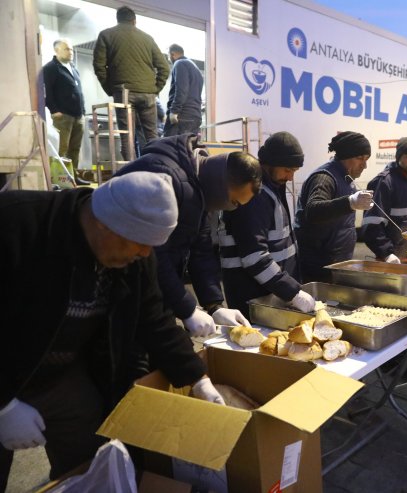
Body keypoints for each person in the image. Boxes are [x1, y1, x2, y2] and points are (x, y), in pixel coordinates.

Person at [0, 173, 225, 490]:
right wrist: (4, 405)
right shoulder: (17, 224)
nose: (145, 255)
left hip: (62, 373)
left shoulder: (135, 255)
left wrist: (196, 378)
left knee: (93, 455)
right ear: (105, 223)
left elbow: (154, 319)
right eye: (140, 245)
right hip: (8, 365)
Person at [116, 135, 261, 337]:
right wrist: (187, 308)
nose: (231, 209)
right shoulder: (165, 177)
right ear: (222, 185)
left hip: (152, 291)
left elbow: (200, 248)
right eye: (233, 202)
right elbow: (154, 253)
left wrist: (214, 305)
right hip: (123, 289)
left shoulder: (201, 187)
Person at [219, 132, 316, 315]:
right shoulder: (255, 196)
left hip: (270, 290)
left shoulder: (272, 188)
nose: (289, 177)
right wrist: (291, 292)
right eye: (287, 170)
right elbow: (254, 256)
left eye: (294, 171)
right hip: (252, 295)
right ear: (268, 163)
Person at [93, 6, 170, 160]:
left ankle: (131, 173)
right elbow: (164, 67)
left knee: (127, 136)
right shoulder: (147, 38)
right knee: (152, 136)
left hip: (124, 92)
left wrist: (111, 89)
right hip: (148, 94)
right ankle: (155, 169)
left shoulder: (106, 35)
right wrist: (155, 89)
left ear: (118, 19)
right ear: (134, 21)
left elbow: (99, 66)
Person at [295, 131, 373, 282]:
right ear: (345, 156)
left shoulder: (346, 177)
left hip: (338, 261)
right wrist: (349, 203)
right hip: (318, 265)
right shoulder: (324, 178)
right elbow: (313, 210)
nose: (364, 165)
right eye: (360, 158)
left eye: (366, 159)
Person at [362, 138, 407, 263]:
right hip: (392, 259)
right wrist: (386, 254)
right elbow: (371, 225)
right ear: (398, 157)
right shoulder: (384, 182)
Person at [42, 39, 90, 186]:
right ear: (56, 51)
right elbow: (46, 91)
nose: (71, 52)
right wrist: (54, 110)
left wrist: (83, 111)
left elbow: (78, 91)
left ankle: (74, 177)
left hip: (78, 115)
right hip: (63, 115)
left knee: (75, 148)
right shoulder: (50, 68)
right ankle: (61, 179)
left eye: (71, 49)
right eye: (67, 49)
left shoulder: (73, 68)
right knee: (62, 149)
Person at [164, 44, 204, 137]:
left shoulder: (180, 63)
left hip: (182, 116)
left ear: (172, 54)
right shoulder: (195, 69)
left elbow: (181, 89)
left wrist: (174, 111)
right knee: (188, 149)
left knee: (170, 148)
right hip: (195, 116)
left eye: (169, 56)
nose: (169, 59)